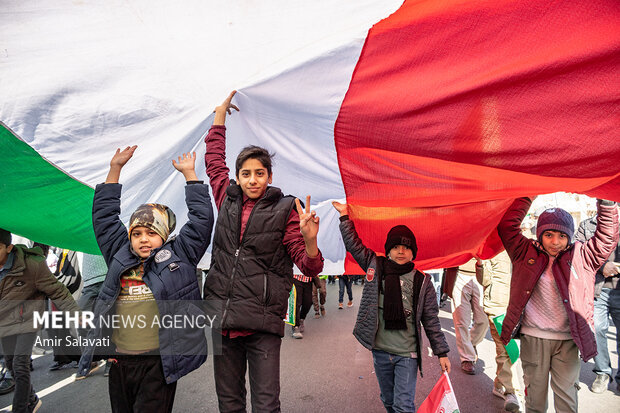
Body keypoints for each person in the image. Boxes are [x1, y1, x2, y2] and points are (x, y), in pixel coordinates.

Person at [203, 90, 324, 412]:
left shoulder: (287, 209)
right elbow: (214, 162)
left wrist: (310, 239)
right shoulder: (226, 198)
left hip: (263, 322)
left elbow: (309, 267)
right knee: (229, 404)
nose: (252, 180)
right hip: (222, 318)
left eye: (259, 173)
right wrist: (219, 116)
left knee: (266, 404)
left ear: (270, 176)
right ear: (239, 177)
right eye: (246, 174)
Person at [77, 147, 214, 413]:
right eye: (136, 232)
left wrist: (190, 175)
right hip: (119, 362)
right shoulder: (119, 252)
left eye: (151, 232)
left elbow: (202, 221)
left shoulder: (181, 254)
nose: (143, 238)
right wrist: (114, 169)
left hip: (158, 364)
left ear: (163, 236)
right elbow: (104, 218)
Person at [497, 197, 619, 413]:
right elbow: (507, 226)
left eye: (562, 236)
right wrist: (527, 195)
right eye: (549, 234)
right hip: (534, 339)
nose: (555, 242)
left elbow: (606, 238)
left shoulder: (583, 255)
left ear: (570, 237)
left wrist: (606, 203)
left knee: (567, 402)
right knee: (535, 402)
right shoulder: (523, 251)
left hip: (568, 341)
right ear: (539, 234)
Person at [332, 201, 450, 413]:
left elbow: (431, 320)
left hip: (407, 355)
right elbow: (353, 245)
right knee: (388, 401)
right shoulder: (375, 266)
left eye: (406, 247)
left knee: (403, 406)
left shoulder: (422, 281)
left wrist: (442, 352)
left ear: (413, 252)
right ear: (388, 250)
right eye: (396, 246)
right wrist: (344, 218)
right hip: (380, 351)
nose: (401, 251)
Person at [0, 229, 80, 413]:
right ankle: (32, 399)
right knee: (11, 365)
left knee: (20, 366)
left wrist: (75, 313)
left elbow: (57, 290)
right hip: (5, 323)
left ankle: (21, 409)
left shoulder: (32, 265)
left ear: (9, 248)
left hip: (28, 320)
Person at [575, 214, 620, 393]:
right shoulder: (587, 225)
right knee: (597, 329)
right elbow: (577, 253)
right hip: (596, 289)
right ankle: (602, 373)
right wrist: (602, 267)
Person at [478, 250, 522, 412]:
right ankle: (513, 392)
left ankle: (499, 384)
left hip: (517, 306)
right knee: (506, 350)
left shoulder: (523, 244)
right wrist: (481, 263)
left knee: (510, 351)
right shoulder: (492, 248)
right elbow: (484, 280)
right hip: (497, 308)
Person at [447, 258, 488, 375]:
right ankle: (467, 358)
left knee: (484, 320)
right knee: (461, 320)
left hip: (482, 274)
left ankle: (471, 342)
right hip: (459, 273)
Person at [75, 253, 111, 379]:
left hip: (107, 278)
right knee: (81, 323)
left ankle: (111, 360)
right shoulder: (79, 234)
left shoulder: (105, 233)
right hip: (88, 283)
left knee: (108, 323)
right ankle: (90, 361)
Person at [291, 273, 314, 339]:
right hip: (296, 278)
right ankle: (295, 326)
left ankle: (301, 319)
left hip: (308, 279)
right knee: (297, 303)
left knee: (308, 302)